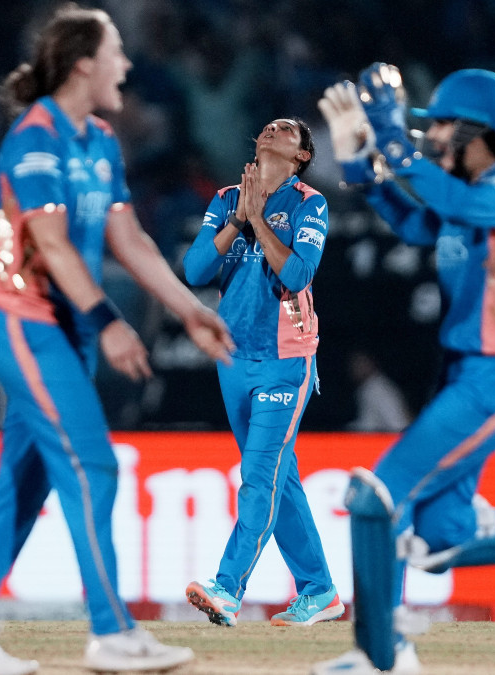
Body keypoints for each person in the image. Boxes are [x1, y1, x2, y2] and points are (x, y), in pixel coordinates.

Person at [0, 6, 234, 675]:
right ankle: (113, 632)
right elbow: (52, 247)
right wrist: (110, 322)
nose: (127, 64)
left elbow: (129, 240)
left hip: (62, 333)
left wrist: (190, 308)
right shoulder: (34, 139)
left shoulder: (98, 140)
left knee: (22, 482)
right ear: (82, 64)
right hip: (24, 322)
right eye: (117, 51)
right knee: (93, 465)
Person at [311, 65, 495, 674]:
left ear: (478, 129)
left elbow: (450, 200)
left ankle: (383, 654)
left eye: (444, 124)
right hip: (467, 379)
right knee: (439, 535)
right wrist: (360, 165)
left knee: (381, 496)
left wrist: (392, 142)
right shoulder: (463, 198)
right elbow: (412, 218)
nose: (434, 136)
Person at [181, 118, 345, 629]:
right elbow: (194, 272)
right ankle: (319, 591)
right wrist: (239, 218)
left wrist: (261, 219)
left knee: (258, 476)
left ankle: (227, 589)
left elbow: (297, 275)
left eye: (287, 130)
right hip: (233, 358)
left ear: (301, 155)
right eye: (269, 127)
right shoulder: (228, 197)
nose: (273, 129)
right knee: (279, 478)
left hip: (286, 359)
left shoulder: (309, 203)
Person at [345, 350, 411, 432]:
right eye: (353, 364)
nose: (355, 368)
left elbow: (398, 424)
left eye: (360, 363)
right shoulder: (366, 388)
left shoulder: (379, 389)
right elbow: (368, 422)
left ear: (371, 363)